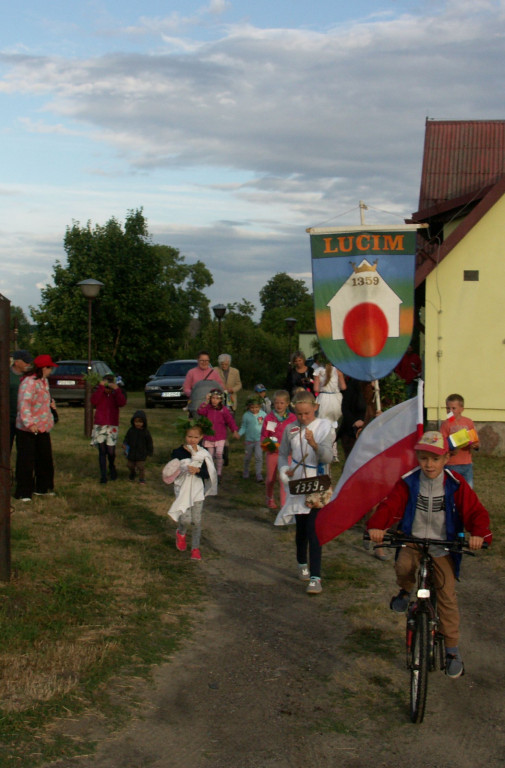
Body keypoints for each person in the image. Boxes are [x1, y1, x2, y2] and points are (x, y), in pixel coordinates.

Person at [367, 430, 492, 679]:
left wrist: (479, 534)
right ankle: (404, 591)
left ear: (446, 458)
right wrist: (377, 526)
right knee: (403, 566)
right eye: (424, 458)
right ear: (418, 458)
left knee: (446, 594)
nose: (429, 464)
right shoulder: (409, 481)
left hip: (442, 544)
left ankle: (452, 650)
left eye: (435, 459)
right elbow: (391, 504)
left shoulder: (456, 484)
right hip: (413, 540)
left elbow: (475, 511)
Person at [274, 390, 333, 595]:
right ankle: (301, 562)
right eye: (299, 414)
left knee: (314, 529)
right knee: (301, 529)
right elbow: (282, 454)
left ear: (315, 408)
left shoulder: (325, 427)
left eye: (307, 413)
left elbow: (327, 457)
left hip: (317, 484)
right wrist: (284, 470)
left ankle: (316, 577)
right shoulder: (290, 429)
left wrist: (314, 445)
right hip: (299, 483)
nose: (303, 418)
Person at [164, 416, 218, 561]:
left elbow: (209, 474)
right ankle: (181, 532)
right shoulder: (178, 452)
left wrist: (198, 471)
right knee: (186, 519)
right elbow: (171, 469)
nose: (192, 440)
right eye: (189, 436)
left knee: (197, 521)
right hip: (182, 489)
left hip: (197, 490)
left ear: (201, 437)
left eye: (196, 437)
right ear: (185, 436)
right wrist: (182, 469)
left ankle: (195, 548)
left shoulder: (204, 454)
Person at [15, 354, 58, 501]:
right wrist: (30, 423)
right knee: (26, 461)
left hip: (43, 427)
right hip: (28, 429)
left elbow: (42, 400)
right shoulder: (29, 382)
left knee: (45, 458)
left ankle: (43, 487)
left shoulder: (43, 382)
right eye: (49, 368)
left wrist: (51, 406)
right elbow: (24, 404)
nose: (51, 371)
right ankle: (23, 491)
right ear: (42, 368)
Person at [260, 389, 297, 509]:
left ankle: (284, 504)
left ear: (287, 404)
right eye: (276, 403)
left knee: (284, 479)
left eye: (282, 403)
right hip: (272, 453)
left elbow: (296, 435)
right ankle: (269, 498)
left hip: (287, 454)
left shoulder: (292, 418)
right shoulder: (269, 418)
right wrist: (269, 446)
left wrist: (293, 447)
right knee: (271, 478)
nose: (279, 405)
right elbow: (263, 436)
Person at [91, 374, 127, 483]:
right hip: (100, 424)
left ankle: (111, 466)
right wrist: (101, 388)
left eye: (109, 388)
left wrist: (117, 390)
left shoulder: (115, 394)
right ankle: (103, 475)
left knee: (110, 451)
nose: (107, 390)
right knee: (102, 450)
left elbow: (122, 402)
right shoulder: (100, 393)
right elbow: (93, 401)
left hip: (112, 425)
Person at [197, 389, 240, 479]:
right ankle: (211, 472)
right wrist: (205, 402)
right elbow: (200, 412)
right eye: (213, 398)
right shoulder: (207, 408)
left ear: (221, 400)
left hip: (220, 436)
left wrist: (234, 430)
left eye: (217, 398)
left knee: (219, 454)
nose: (214, 400)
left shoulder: (224, 410)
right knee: (210, 455)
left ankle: (219, 472)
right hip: (209, 436)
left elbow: (230, 421)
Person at [440, 394, 478, 488]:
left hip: (466, 464)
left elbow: (475, 441)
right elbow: (443, 445)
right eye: (448, 408)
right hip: (451, 464)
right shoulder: (446, 424)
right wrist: (452, 451)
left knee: (468, 488)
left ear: (462, 409)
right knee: (452, 489)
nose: (450, 411)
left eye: (454, 408)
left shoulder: (468, 422)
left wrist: (475, 445)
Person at [313, 355, 346, 461]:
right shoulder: (338, 371)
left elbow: (316, 388)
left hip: (324, 398)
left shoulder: (318, 371)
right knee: (332, 426)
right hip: (336, 399)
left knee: (323, 425)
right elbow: (344, 387)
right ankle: (334, 453)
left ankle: (324, 450)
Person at [183, 351, 223, 417]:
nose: (204, 362)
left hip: (212, 405)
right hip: (196, 404)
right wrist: (193, 394)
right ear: (198, 360)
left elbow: (220, 387)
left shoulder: (214, 373)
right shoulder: (191, 372)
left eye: (206, 360)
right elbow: (186, 388)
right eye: (202, 360)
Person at [238, 396, 266, 482]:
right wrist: (239, 434)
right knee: (247, 458)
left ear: (260, 406)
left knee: (259, 457)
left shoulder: (263, 415)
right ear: (249, 407)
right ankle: (246, 471)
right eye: (252, 408)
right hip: (249, 441)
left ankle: (258, 474)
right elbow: (243, 427)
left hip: (259, 440)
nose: (254, 409)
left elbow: (266, 426)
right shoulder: (246, 415)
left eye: (256, 407)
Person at [9, 349, 33, 450]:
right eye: (25, 362)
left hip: (23, 419)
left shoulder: (29, 376)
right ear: (17, 362)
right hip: (8, 419)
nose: (28, 364)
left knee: (24, 449)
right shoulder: (6, 375)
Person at [122, 409, 153, 484]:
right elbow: (126, 438)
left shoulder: (146, 432)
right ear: (133, 422)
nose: (138, 424)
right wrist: (124, 444)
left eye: (140, 422)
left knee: (140, 467)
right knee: (129, 465)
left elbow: (149, 443)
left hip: (141, 453)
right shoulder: (131, 430)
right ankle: (132, 473)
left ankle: (141, 478)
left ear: (144, 422)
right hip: (131, 453)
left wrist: (149, 452)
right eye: (136, 422)